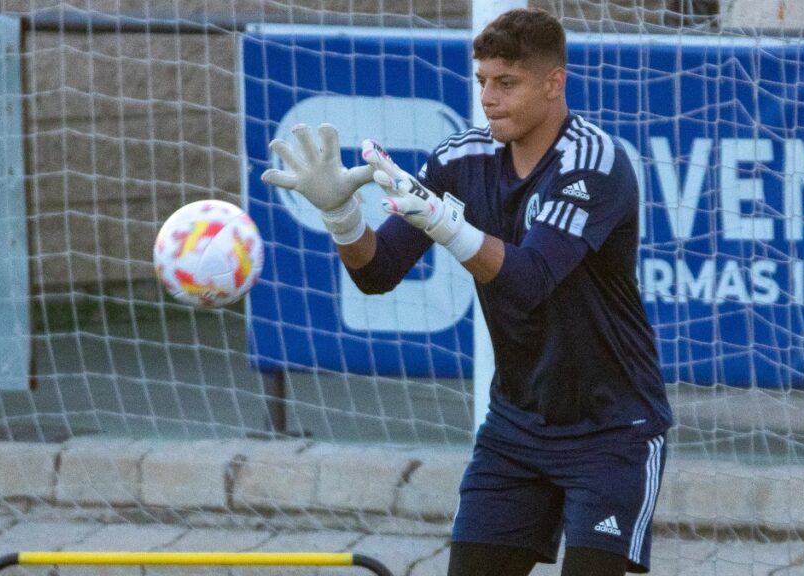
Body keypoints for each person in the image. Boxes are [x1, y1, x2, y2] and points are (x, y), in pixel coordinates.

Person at [261, 7, 673, 575]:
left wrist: (445, 224)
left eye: (507, 82)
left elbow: (530, 281)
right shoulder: (461, 157)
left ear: (555, 83)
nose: (489, 97)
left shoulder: (594, 163)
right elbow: (376, 274)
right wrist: (341, 217)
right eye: (483, 81)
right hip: (516, 429)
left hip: (611, 434)